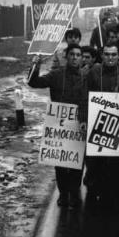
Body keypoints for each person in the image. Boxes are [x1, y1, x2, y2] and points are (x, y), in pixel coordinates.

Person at [28, 43, 87, 208]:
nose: (75, 58)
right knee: (61, 164)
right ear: (66, 57)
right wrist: (36, 63)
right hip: (59, 126)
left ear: (82, 58)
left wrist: (84, 120)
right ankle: (63, 194)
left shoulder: (86, 76)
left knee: (77, 164)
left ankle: (74, 194)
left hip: (78, 125)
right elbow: (34, 82)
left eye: (78, 55)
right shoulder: (56, 75)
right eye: (72, 55)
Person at [85, 43, 119, 209]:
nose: (110, 58)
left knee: (114, 164)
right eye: (107, 54)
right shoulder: (94, 72)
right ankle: (92, 192)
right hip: (96, 123)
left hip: (117, 124)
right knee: (94, 163)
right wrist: (84, 119)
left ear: (118, 56)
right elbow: (85, 95)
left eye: (113, 55)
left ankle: (110, 196)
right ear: (102, 55)